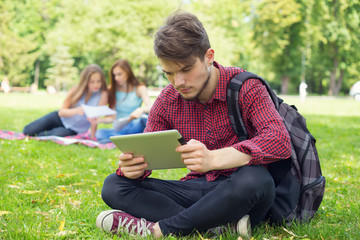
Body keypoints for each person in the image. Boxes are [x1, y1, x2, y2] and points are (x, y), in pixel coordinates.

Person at [96, 11, 292, 238]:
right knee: (114, 185)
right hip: (194, 189)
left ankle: (161, 230)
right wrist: (133, 169)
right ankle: (211, 229)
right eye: (169, 73)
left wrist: (213, 159)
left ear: (209, 56)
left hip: (238, 191)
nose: (178, 82)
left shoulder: (246, 87)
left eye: (186, 69)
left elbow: (279, 140)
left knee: (255, 179)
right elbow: (148, 154)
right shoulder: (167, 100)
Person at [23, 64, 108, 139]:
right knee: (28, 131)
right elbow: (61, 112)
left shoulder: (102, 95)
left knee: (48, 134)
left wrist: (92, 136)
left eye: (98, 81)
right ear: (86, 81)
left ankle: (41, 134)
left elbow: (95, 119)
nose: (96, 85)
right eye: (92, 82)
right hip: (58, 118)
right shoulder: (76, 90)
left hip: (73, 129)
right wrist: (77, 111)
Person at [95, 59, 152, 143]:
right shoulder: (112, 90)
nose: (116, 78)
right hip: (120, 127)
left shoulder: (140, 88)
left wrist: (141, 110)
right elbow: (112, 118)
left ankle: (120, 139)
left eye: (119, 74)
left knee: (143, 121)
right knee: (100, 133)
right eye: (114, 75)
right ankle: (126, 139)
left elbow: (151, 107)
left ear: (127, 72)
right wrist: (100, 120)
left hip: (135, 125)